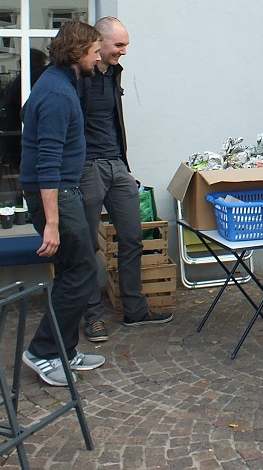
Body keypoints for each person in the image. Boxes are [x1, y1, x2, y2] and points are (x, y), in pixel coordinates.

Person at [19, 20, 106, 387]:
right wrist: (52, 222)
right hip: (58, 194)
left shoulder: (57, 82)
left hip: (63, 192)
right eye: (95, 51)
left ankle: (64, 350)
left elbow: (26, 116)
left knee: (75, 269)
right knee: (82, 271)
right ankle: (42, 351)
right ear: (77, 53)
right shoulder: (57, 93)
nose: (99, 57)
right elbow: (47, 163)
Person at [79, 17, 172, 343]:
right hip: (86, 167)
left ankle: (135, 309)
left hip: (117, 165)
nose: (124, 51)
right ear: (99, 43)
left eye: (126, 45)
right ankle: (92, 317)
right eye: (119, 45)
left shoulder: (115, 73)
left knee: (132, 236)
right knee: (88, 244)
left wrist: (122, 164)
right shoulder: (80, 75)